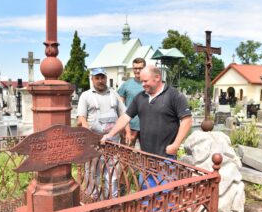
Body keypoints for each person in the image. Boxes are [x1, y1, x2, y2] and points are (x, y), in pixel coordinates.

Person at [101, 65, 192, 158]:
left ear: (157, 77)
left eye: (145, 81)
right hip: (146, 156)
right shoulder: (140, 97)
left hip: (166, 156)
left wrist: (176, 145)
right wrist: (110, 135)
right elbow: (125, 117)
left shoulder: (174, 95)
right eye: (141, 81)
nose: (143, 84)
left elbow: (187, 120)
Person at [77, 67, 130, 198]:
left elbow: (124, 114)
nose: (100, 81)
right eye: (97, 78)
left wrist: (127, 131)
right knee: (92, 171)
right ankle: (92, 198)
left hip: (112, 140)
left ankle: (111, 197)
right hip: (94, 141)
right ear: (92, 79)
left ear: (106, 78)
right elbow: (81, 117)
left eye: (102, 77)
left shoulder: (114, 94)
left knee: (112, 171)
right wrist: (85, 127)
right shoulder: (86, 95)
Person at [117, 57, 146, 147]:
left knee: (147, 155)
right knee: (126, 155)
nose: (137, 71)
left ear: (144, 68)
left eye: (140, 68)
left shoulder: (149, 83)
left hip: (146, 126)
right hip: (129, 126)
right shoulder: (126, 85)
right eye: (135, 68)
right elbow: (120, 107)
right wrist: (123, 126)